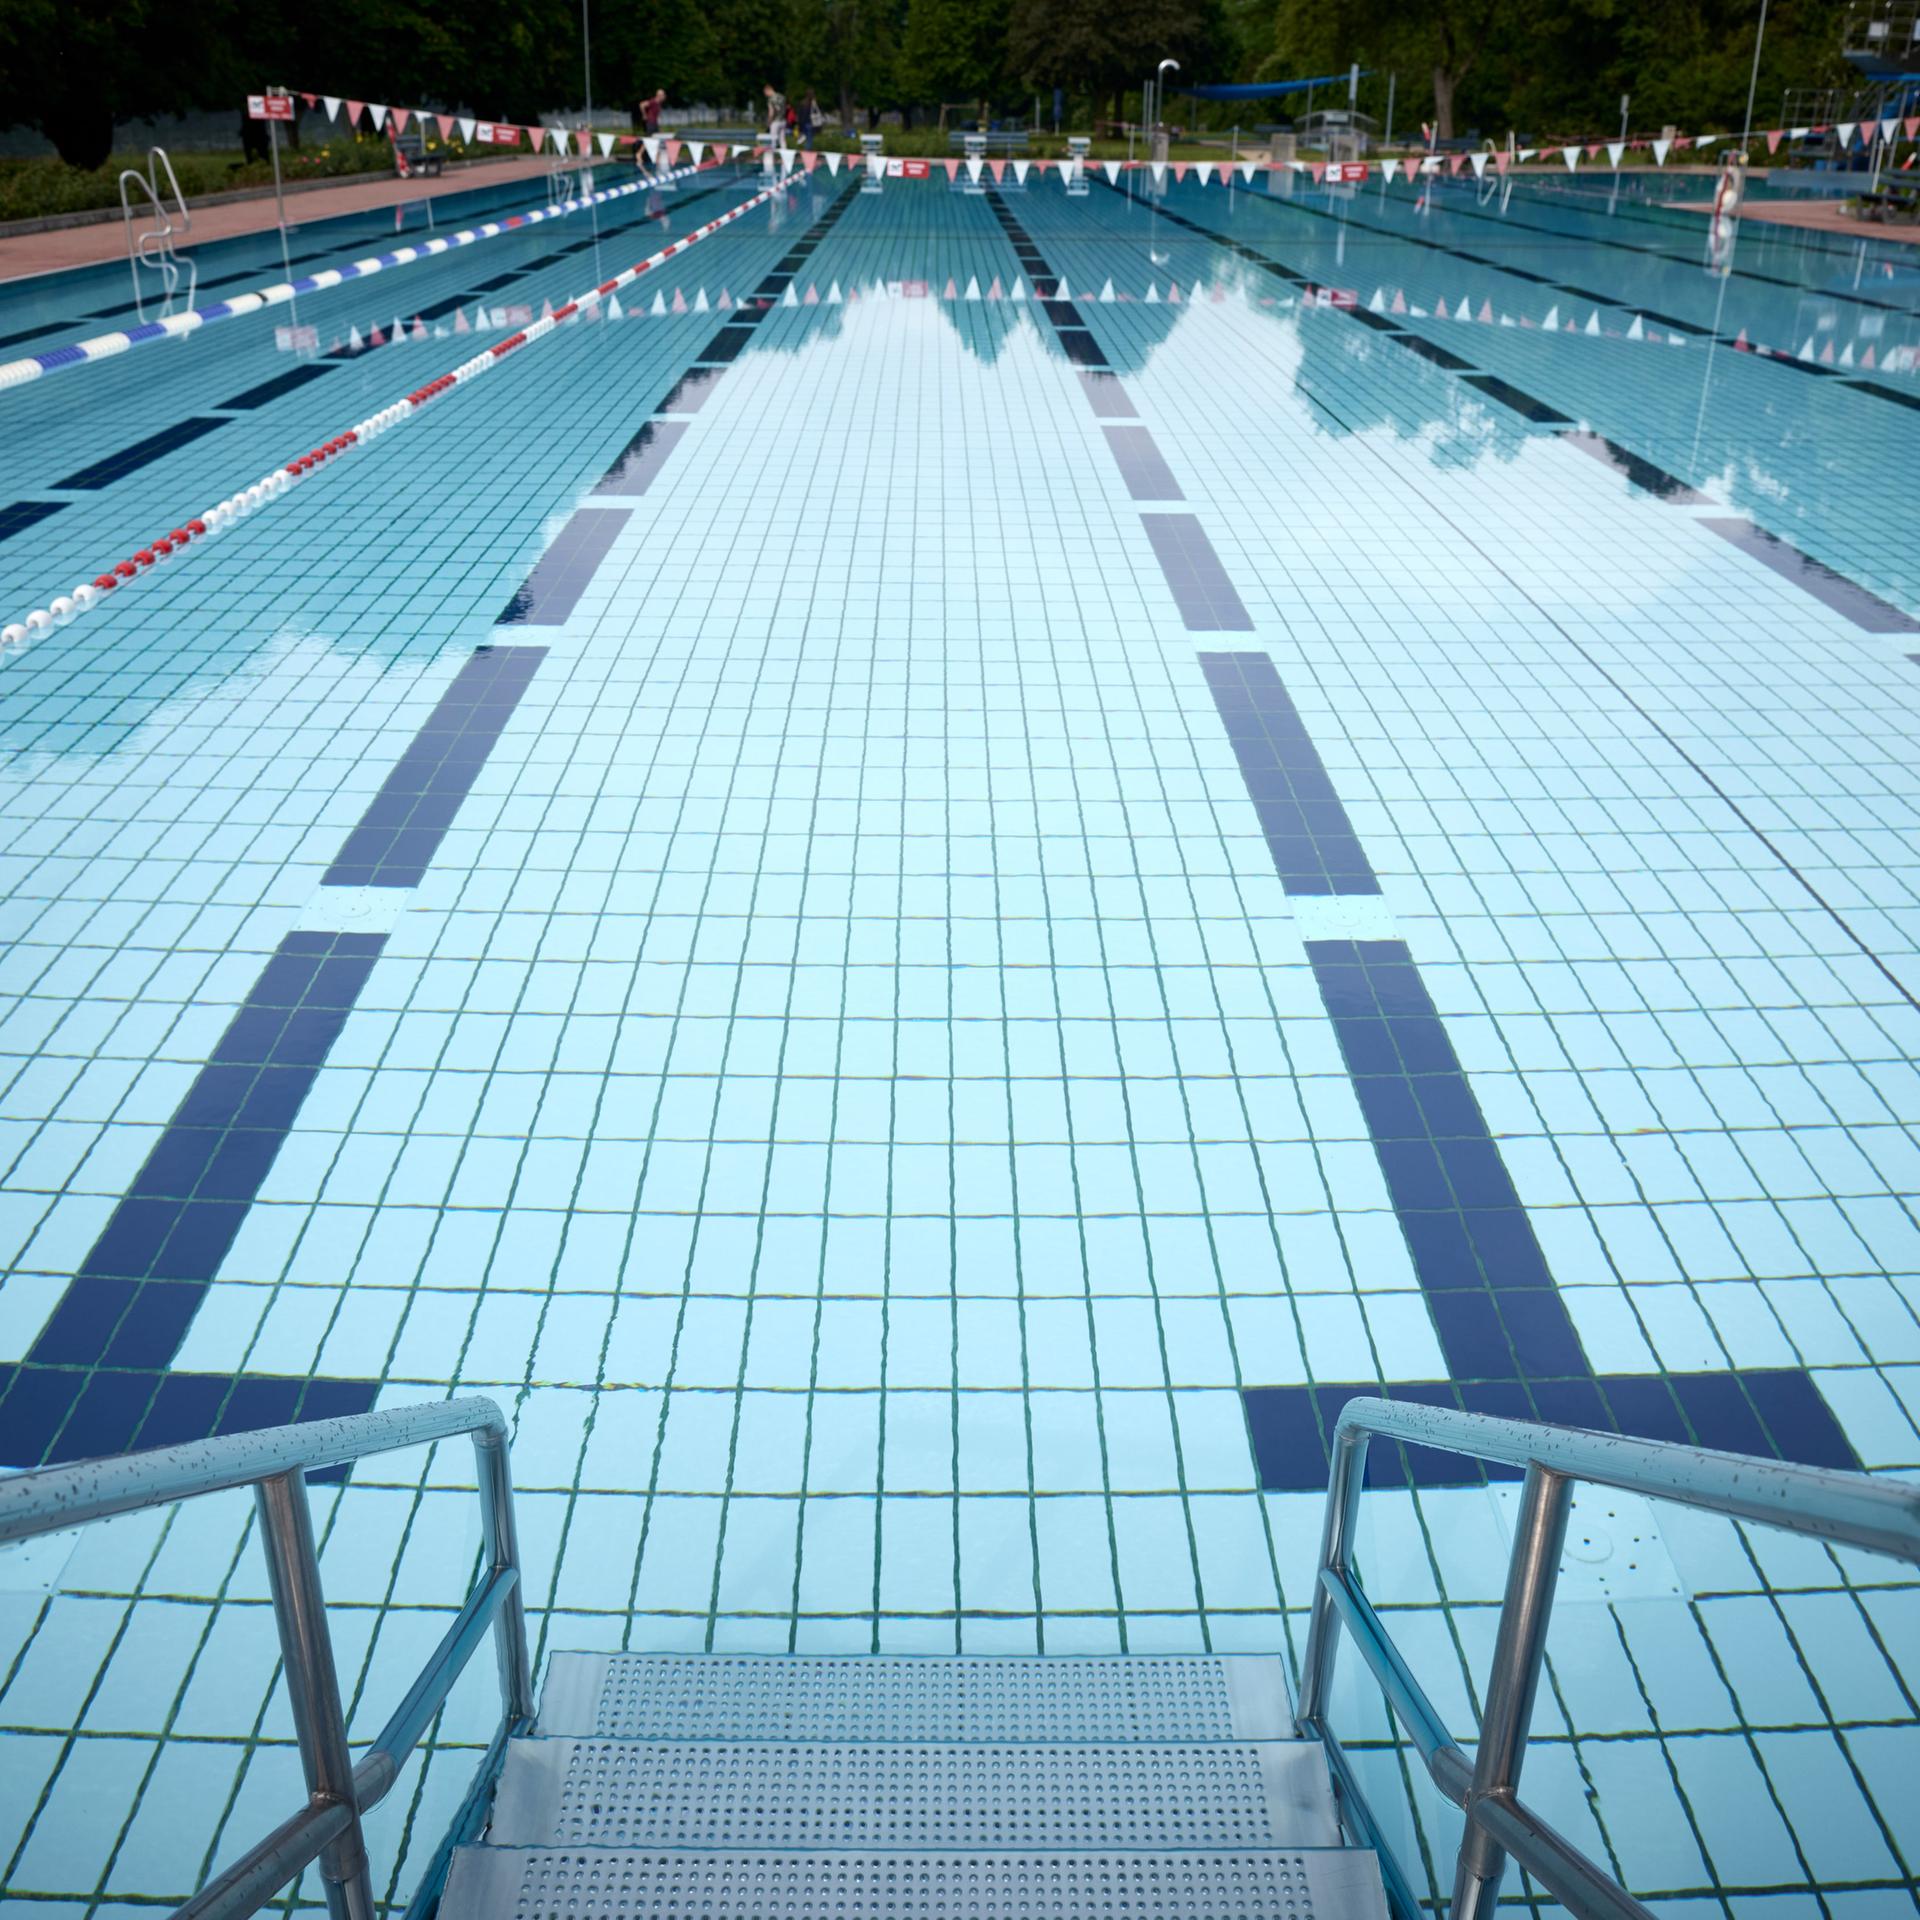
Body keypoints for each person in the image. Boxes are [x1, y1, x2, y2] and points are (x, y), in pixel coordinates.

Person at [764, 82, 788, 152]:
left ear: (768, 90)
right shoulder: (782, 97)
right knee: (782, 140)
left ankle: (772, 155)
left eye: (765, 92)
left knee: (773, 140)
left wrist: (768, 122)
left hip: (775, 121)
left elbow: (771, 112)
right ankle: (785, 156)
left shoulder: (771, 99)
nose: (766, 94)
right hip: (783, 120)